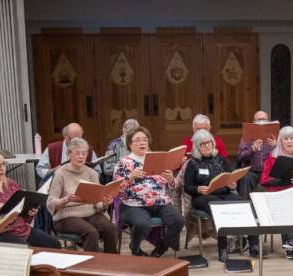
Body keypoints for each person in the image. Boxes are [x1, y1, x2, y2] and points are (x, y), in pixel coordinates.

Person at [113, 127, 185, 257]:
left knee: (178, 220)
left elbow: (175, 186)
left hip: (160, 203)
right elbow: (116, 191)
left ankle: (162, 247)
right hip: (133, 205)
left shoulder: (159, 159)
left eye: (145, 140)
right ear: (130, 144)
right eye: (137, 140)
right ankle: (135, 249)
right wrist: (130, 177)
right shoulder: (123, 163)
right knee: (142, 223)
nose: (142, 143)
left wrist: (170, 179)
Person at [0, 149, 62, 248]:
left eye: (4, 164)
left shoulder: (11, 184)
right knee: (26, 249)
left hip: (21, 228)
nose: (2, 168)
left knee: (54, 243)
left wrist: (30, 212)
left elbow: (24, 216)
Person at [183, 129, 250, 262]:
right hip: (203, 197)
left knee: (244, 203)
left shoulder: (221, 159)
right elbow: (187, 187)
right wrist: (198, 189)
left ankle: (252, 242)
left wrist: (232, 185)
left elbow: (230, 177)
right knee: (218, 207)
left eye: (209, 142)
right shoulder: (192, 163)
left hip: (224, 193)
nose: (207, 146)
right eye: (203, 144)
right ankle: (222, 247)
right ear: (197, 147)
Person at [47, 137, 120, 253]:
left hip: (90, 213)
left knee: (111, 228)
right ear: (69, 154)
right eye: (77, 153)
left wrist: (105, 203)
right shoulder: (60, 173)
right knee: (91, 232)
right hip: (65, 216)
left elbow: (98, 203)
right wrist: (65, 200)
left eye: (84, 153)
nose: (81, 156)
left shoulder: (92, 173)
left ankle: (111, 263)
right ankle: (92, 266)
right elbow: (50, 203)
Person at [260, 125, 293, 259]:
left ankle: (291, 243)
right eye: (285, 139)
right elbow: (264, 180)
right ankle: (292, 244)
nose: (289, 141)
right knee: (287, 203)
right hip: (279, 193)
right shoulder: (273, 157)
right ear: (280, 141)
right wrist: (282, 180)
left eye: (292, 138)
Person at [236, 109, 275, 201]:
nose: (261, 121)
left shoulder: (274, 136)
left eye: (264, 119)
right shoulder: (247, 136)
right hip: (253, 171)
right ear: (253, 122)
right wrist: (252, 149)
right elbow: (240, 157)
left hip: (270, 171)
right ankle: (245, 208)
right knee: (245, 179)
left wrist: (276, 147)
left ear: (268, 122)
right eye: (258, 119)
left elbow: (284, 155)